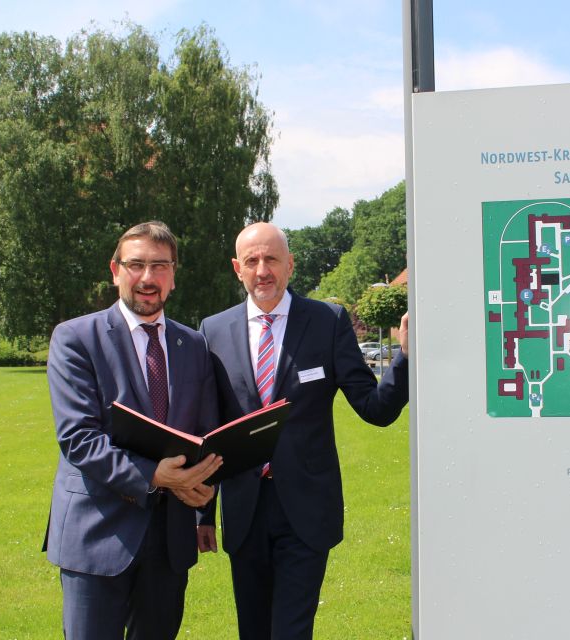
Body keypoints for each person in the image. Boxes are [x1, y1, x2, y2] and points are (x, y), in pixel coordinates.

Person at [199, 222, 410, 640]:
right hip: (244, 511)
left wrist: (404, 356)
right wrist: (204, 512)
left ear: (290, 265)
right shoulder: (212, 330)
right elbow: (208, 427)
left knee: (292, 632)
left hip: (306, 510)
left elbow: (375, 408)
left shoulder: (326, 322)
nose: (263, 270)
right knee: (253, 631)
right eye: (252, 261)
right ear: (236, 268)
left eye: (272, 259)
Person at [43, 220, 223, 639]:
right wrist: (155, 475)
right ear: (115, 270)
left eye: (160, 266)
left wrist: (205, 495)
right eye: (136, 265)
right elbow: (78, 438)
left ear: (173, 275)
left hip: (170, 540)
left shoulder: (193, 345)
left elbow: (205, 433)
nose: (147, 278)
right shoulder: (76, 338)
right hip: (96, 533)